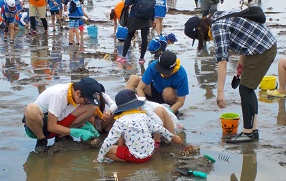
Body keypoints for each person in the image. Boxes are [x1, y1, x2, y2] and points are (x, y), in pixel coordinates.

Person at [187, 9, 276, 143]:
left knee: (246, 89)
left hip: (262, 49)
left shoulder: (217, 28)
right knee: (247, 89)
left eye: (198, 38)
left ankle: (248, 133)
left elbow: (222, 61)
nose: (203, 40)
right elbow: (244, 32)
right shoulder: (217, 16)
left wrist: (220, 92)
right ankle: (253, 130)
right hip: (262, 44)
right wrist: (242, 57)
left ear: (200, 31)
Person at [95, 89, 183, 163]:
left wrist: (99, 158)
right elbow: (158, 128)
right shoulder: (143, 116)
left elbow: (108, 142)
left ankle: (128, 160)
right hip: (150, 153)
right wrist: (173, 136)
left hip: (136, 157)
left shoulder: (120, 121)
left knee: (108, 150)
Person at [22, 77, 102, 154]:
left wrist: (86, 125)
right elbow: (51, 126)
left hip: (59, 125)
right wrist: (78, 132)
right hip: (42, 127)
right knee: (31, 108)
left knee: (92, 106)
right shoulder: (58, 95)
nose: (85, 103)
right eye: (86, 100)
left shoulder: (76, 95)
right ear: (78, 93)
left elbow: (68, 113)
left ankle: (62, 136)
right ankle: (41, 140)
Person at [125, 51, 189, 114]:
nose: (162, 73)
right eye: (161, 70)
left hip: (169, 96)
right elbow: (140, 88)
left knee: (168, 91)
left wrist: (168, 113)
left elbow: (181, 101)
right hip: (154, 91)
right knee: (133, 79)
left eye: (165, 72)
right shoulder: (153, 66)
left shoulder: (181, 74)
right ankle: (126, 108)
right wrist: (144, 105)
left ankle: (174, 110)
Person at [116, 0, 155, 64]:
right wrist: (152, 19)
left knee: (129, 36)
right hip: (146, 16)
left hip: (135, 16)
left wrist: (126, 2)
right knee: (144, 37)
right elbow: (153, 4)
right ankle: (141, 58)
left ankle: (123, 57)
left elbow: (129, 2)